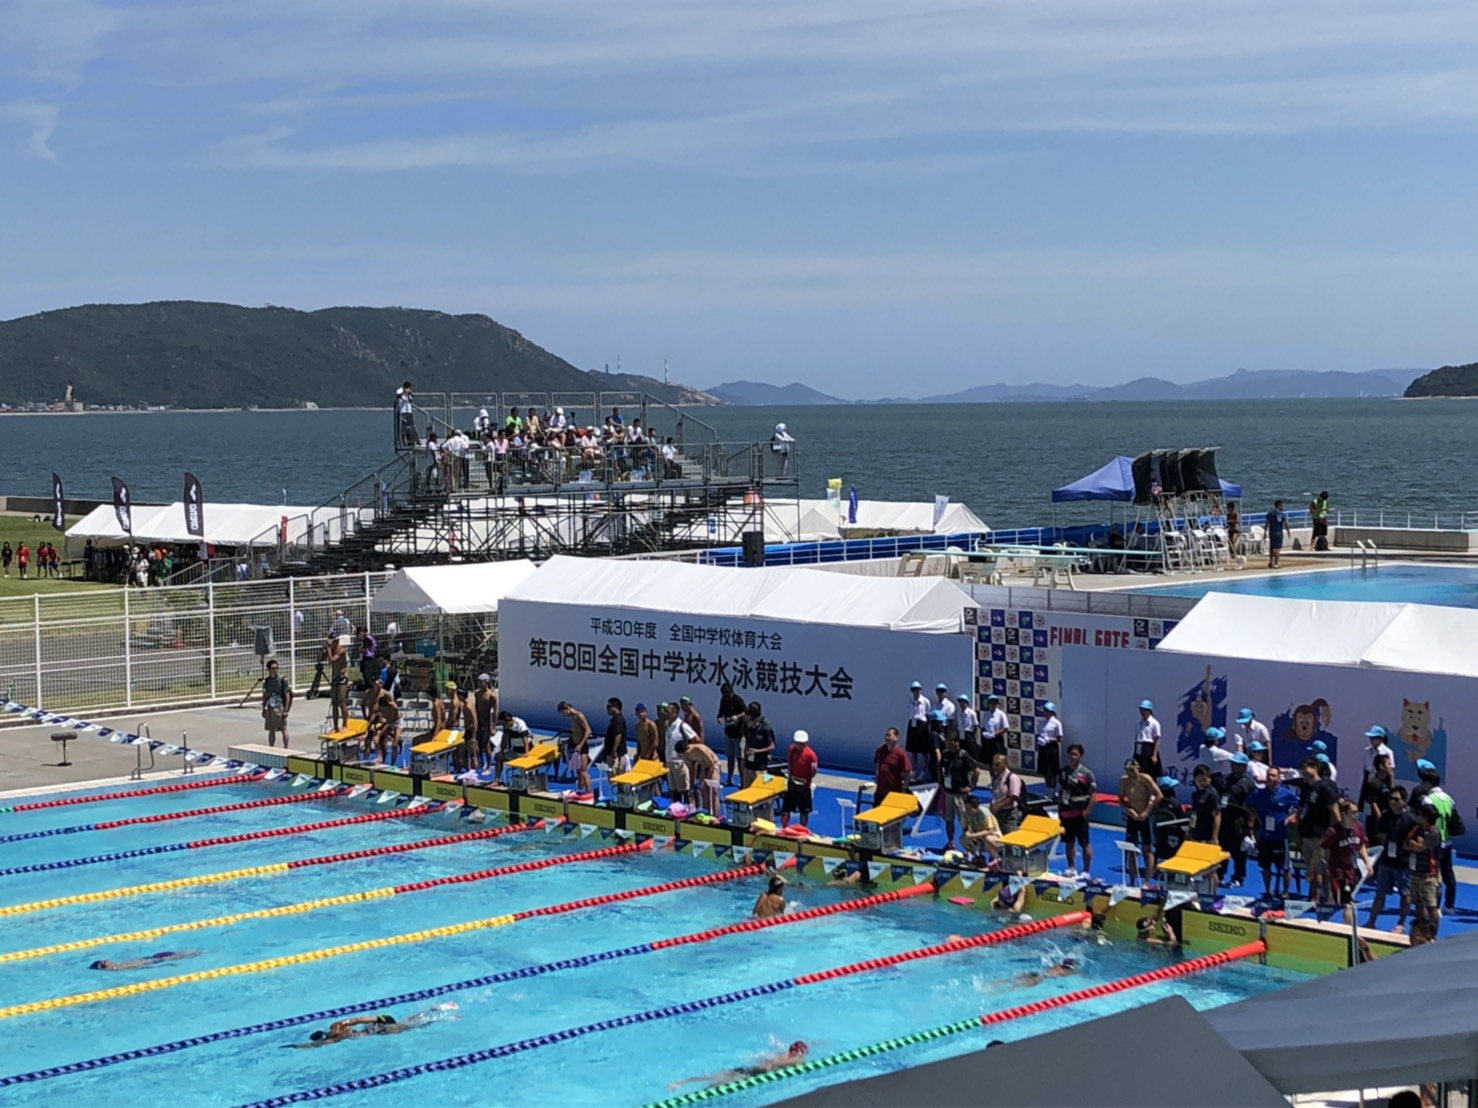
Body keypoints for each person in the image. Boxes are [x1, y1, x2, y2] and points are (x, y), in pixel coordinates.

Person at [291, 1003, 459, 1048]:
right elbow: (358, 1019)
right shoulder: (337, 1025)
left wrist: (297, 1046)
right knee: (406, 1022)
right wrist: (377, 1018)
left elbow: (317, 1044)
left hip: (376, 1030)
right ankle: (432, 1010)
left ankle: (441, 1016)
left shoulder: (336, 1036)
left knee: (409, 1027)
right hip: (374, 1026)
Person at [1364, 785, 1414, 932]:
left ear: (1404, 800)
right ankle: (1371, 921)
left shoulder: (1410, 819)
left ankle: (1401, 924)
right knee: (1380, 892)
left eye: (1396, 799)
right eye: (1390, 799)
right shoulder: (1386, 816)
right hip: (1386, 861)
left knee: (1405, 894)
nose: (1392, 802)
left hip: (1403, 863)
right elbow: (1382, 834)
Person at [669, 1041, 808, 1090]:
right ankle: (683, 1084)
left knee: (717, 1076)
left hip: (752, 1069)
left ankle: (682, 1082)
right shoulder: (795, 1060)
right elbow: (798, 1063)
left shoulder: (782, 1053)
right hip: (755, 1073)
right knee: (717, 1083)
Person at [1297, 756, 1340, 904]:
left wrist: (1335, 834)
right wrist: (1298, 831)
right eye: (1302, 768)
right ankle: (1314, 897)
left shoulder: (1324, 787)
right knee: (1312, 867)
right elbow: (1301, 811)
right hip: (1307, 832)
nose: (1304, 771)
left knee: (1324, 868)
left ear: (1315, 768)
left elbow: (1334, 810)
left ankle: (1329, 898)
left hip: (1321, 834)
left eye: (1306, 768)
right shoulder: (1305, 788)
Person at [1322, 799, 1371, 922]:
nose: (1356, 815)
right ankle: (1327, 923)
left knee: (1346, 902)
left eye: (1357, 812)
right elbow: (1321, 849)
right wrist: (1313, 869)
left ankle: (1347, 927)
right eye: (1353, 813)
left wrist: (1367, 863)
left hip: (1351, 870)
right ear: (1344, 814)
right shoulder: (1333, 832)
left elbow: (1361, 846)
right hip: (1336, 871)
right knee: (1342, 901)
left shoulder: (1359, 827)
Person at [1118, 759, 1162, 884]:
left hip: (1145, 817)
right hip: (1133, 817)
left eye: (1132, 771)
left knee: (1147, 850)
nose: (1130, 774)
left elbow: (1159, 795)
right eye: (1128, 771)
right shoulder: (1124, 781)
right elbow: (1121, 799)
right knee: (1131, 849)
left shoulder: (1145, 779)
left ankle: (1147, 881)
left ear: (1138, 769)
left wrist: (1147, 811)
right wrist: (1129, 810)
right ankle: (1132, 881)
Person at [939, 732, 984, 852]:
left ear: (957, 742)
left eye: (951, 742)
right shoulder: (945, 754)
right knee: (949, 819)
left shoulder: (963, 755)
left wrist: (971, 786)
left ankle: (970, 845)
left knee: (964, 820)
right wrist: (941, 783)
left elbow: (977, 770)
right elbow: (940, 768)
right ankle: (950, 842)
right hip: (949, 792)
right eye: (947, 742)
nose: (948, 745)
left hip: (961, 794)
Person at [1217, 753, 1256, 888]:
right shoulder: (1225, 780)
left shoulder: (1248, 785)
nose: (1233, 767)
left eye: (1237, 765)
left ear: (1243, 767)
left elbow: (1253, 808)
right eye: (1233, 764)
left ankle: (1239, 876)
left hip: (1239, 822)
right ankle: (1219, 874)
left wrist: (1249, 826)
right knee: (1222, 849)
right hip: (1224, 819)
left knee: (1238, 851)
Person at [1056, 743, 1096, 875]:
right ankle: (1071, 868)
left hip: (1079, 814)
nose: (1072, 757)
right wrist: (1059, 809)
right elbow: (1061, 790)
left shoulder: (1087, 774)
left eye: (1075, 754)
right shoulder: (1063, 771)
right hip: (1065, 813)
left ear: (1080, 756)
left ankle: (1086, 871)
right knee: (1069, 842)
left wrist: (1087, 811)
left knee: (1084, 843)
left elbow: (1093, 794)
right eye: (1071, 754)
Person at [1406, 800, 1443, 935]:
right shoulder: (1417, 829)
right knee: (1418, 905)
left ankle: (1433, 935)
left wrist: (1416, 845)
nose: (1417, 817)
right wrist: (1415, 844)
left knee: (1431, 908)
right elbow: (1406, 843)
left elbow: (1421, 848)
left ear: (1426, 817)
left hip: (1429, 877)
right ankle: (1421, 933)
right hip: (1415, 873)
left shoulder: (1434, 833)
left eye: (1420, 815)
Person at [781, 730, 818, 829]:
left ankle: (802, 829)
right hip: (792, 784)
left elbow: (813, 771)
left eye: (801, 743)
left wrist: (806, 781)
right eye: (797, 743)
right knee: (786, 809)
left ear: (805, 743)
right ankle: (784, 827)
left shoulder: (811, 755)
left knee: (804, 811)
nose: (799, 745)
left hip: (804, 786)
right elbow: (789, 764)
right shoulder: (791, 750)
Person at [558, 701, 592, 794]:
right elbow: (576, 733)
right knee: (578, 772)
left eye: (563, 713)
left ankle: (589, 793)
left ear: (566, 709)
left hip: (582, 747)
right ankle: (580, 791)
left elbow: (588, 731)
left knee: (583, 772)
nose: (564, 715)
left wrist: (581, 744)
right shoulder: (573, 717)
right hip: (576, 746)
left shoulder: (579, 716)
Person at [716, 682, 746, 786]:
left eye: (727, 695)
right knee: (730, 757)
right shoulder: (723, 700)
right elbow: (720, 713)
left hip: (739, 733)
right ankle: (729, 779)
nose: (726, 697)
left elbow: (746, 712)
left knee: (740, 758)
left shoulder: (738, 700)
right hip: (728, 732)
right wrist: (719, 718)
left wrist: (736, 717)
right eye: (724, 695)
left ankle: (742, 780)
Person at [683, 734, 722, 813]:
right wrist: (691, 784)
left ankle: (716, 815)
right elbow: (691, 769)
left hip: (714, 765)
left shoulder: (700, 749)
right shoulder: (686, 756)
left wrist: (706, 779)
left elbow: (711, 765)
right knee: (704, 792)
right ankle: (706, 814)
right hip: (704, 768)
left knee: (713, 792)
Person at [988, 751, 1024, 835]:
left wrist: (998, 806)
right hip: (997, 813)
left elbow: (1013, 796)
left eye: (998, 764)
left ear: (1005, 764)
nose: (995, 767)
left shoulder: (1012, 778)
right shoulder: (995, 777)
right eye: (994, 764)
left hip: (1009, 814)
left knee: (1011, 838)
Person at [740, 701, 774, 788]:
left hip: (759, 767)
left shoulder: (764, 729)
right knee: (746, 790)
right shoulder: (748, 729)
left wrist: (757, 751)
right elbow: (747, 744)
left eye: (749, 720)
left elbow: (772, 746)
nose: (747, 722)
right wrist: (744, 761)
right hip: (748, 766)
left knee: (759, 790)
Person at [989, 958, 1080, 990]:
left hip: (1036, 973)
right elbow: (1074, 973)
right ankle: (998, 992)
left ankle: (994, 983)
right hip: (1040, 978)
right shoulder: (1066, 972)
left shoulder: (1057, 965)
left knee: (1011, 979)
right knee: (1017, 986)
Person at [960, 795, 1002, 862]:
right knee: (963, 839)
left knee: (988, 838)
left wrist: (973, 835)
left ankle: (996, 858)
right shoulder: (965, 813)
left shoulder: (985, 814)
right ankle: (978, 857)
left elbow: (989, 831)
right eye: (966, 808)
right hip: (979, 838)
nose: (967, 811)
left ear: (976, 807)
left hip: (994, 838)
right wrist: (967, 833)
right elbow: (965, 828)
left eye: (969, 809)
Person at [261, 658, 293, 748]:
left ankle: (286, 748)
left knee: (283, 728)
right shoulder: (267, 681)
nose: (275, 670)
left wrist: (286, 710)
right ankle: (271, 747)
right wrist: (263, 708)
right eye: (273, 668)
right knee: (271, 729)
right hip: (270, 707)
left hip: (279, 707)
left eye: (276, 668)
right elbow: (265, 695)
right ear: (269, 670)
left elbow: (287, 695)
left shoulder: (282, 680)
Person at [873, 727, 910, 802]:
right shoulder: (880, 750)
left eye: (889, 736)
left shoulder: (900, 753)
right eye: (886, 735)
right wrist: (877, 776)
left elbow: (908, 771)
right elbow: (877, 764)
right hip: (880, 791)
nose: (887, 738)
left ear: (896, 737)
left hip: (894, 791)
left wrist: (904, 787)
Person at [904, 681, 931, 784]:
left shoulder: (925, 701)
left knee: (924, 751)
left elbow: (927, 714)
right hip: (913, 723)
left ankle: (924, 771)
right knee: (913, 750)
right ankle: (914, 770)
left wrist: (926, 727)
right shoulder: (910, 701)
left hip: (921, 724)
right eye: (914, 690)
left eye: (917, 689)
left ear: (920, 690)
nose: (916, 692)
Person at [1035, 700, 1063, 792]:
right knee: (1044, 770)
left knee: (1052, 770)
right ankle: (1048, 788)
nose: (1045, 713)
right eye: (1044, 710)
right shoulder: (1042, 722)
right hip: (1043, 747)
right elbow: (1041, 733)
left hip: (1052, 748)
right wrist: (1041, 740)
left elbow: (1059, 738)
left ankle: (1053, 789)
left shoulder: (1057, 723)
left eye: (1046, 711)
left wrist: (1049, 739)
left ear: (1051, 712)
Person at [473, 675, 497, 773]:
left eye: (481, 682)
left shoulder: (491, 695)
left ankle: (488, 766)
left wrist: (494, 725)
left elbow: (495, 711)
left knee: (486, 744)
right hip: (478, 721)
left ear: (486, 682)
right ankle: (481, 762)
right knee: (476, 743)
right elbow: (476, 708)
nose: (479, 684)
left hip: (486, 721)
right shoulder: (477, 693)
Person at [90, 949, 200, 971]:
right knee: (179, 955)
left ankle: (195, 953)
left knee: (178, 954)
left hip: (150, 958)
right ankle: (197, 953)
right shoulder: (117, 968)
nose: (106, 960)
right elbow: (139, 967)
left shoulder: (117, 965)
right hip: (153, 961)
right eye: (103, 962)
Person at [603, 697, 631, 775]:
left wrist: (614, 751)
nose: (607, 709)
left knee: (616, 775)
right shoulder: (614, 719)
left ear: (615, 707)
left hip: (617, 754)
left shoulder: (618, 719)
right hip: (611, 752)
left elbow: (618, 735)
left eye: (609, 706)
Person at [1133, 699, 1161, 774]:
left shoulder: (1154, 723)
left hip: (1148, 748)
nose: (1142, 712)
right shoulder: (1138, 723)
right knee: (1138, 770)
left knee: (1149, 771)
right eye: (1141, 710)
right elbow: (1136, 738)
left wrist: (1154, 755)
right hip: (1139, 747)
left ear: (1149, 711)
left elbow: (1156, 740)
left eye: (1144, 710)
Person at [981, 693, 1009, 764]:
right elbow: (983, 727)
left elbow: (1005, 728)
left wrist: (996, 733)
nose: (992, 705)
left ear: (997, 704)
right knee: (988, 760)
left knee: (998, 759)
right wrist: (985, 734)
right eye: (991, 703)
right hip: (987, 740)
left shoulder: (1001, 714)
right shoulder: (986, 714)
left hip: (997, 740)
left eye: (994, 703)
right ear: (988, 704)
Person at [957, 694, 981, 760]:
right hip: (961, 733)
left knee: (971, 751)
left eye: (963, 702)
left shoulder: (972, 713)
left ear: (967, 703)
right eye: (960, 702)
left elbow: (975, 725)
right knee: (962, 750)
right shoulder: (959, 712)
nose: (961, 704)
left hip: (968, 733)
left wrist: (972, 734)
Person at [1265, 499, 1288, 568]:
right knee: (1277, 548)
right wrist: (1288, 531)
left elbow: (1267, 523)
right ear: (1278, 506)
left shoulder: (1270, 513)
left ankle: (1271, 561)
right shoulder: (1281, 514)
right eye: (1282, 506)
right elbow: (1285, 524)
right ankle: (1276, 564)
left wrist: (1265, 532)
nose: (1283, 507)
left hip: (1272, 532)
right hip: (1278, 532)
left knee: (1272, 547)